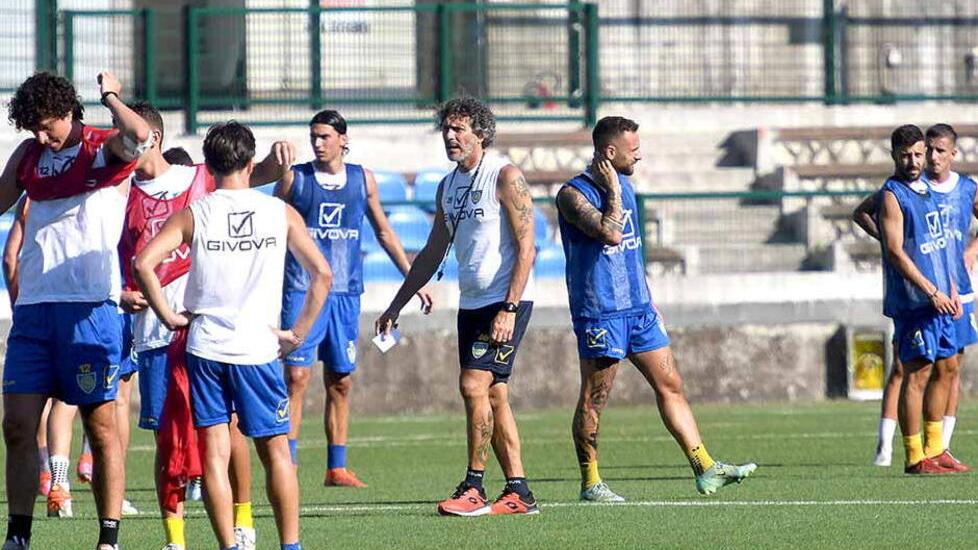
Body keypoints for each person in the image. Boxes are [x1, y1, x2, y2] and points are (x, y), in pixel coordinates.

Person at [135, 121, 330, 550]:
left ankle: (228, 546)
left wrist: (167, 314)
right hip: (257, 349)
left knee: (214, 456)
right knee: (275, 452)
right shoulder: (278, 213)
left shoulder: (195, 212)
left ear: (212, 163)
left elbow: (143, 262)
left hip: (205, 347)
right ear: (248, 161)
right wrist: (297, 334)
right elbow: (323, 274)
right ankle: (290, 546)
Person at [555, 116, 757, 502]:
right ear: (609, 153)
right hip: (602, 313)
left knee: (671, 385)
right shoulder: (572, 194)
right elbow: (610, 232)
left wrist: (649, 300)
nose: (640, 155)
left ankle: (704, 467)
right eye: (633, 150)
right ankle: (591, 482)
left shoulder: (627, 185)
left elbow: (631, 248)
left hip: (639, 310)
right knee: (594, 399)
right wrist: (612, 187)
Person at [0, 71, 152, 550]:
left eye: (47, 126)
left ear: (68, 112)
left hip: (90, 307)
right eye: (33, 129)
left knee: (101, 425)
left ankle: (108, 537)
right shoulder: (29, 155)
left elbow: (141, 137)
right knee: (17, 425)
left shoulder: (100, 147)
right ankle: (18, 535)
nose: (42, 137)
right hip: (35, 309)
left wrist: (109, 96)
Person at [375, 98, 539, 516]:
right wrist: (396, 304)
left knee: (472, 386)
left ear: (481, 134)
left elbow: (527, 247)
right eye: (447, 129)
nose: (450, 136)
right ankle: (519, 491)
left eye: (460, 129)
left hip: (505, 301)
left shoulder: (505, 176)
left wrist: (510, 307)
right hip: (472, 302)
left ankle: (474, 486)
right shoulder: (448, 186)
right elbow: (432, 252)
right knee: (494, 394)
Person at [276, 109, 432, 485]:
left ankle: (337, 467)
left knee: (341, 380)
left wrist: (413, 279)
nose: (317, 143)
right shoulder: (296, 180)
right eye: (313, 137)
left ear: (343, 140)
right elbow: (273, 228)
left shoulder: (363, 180)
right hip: (301, 288)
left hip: (345, 292)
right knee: (297, 375)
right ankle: (288, 463)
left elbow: (384, 232)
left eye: (325, 137)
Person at [854, 124, 976, 470]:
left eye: (918, 154)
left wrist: (950, 282)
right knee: (916, 372)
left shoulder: (928, 187)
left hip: (943, 297)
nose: (913, 161)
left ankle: (936, 448)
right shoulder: (892, 194)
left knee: (948, 366)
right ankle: (913, 455)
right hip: (916, 300)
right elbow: (894, 251)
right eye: (905, 155)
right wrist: (931, 290)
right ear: (894, 156)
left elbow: (939, 242)